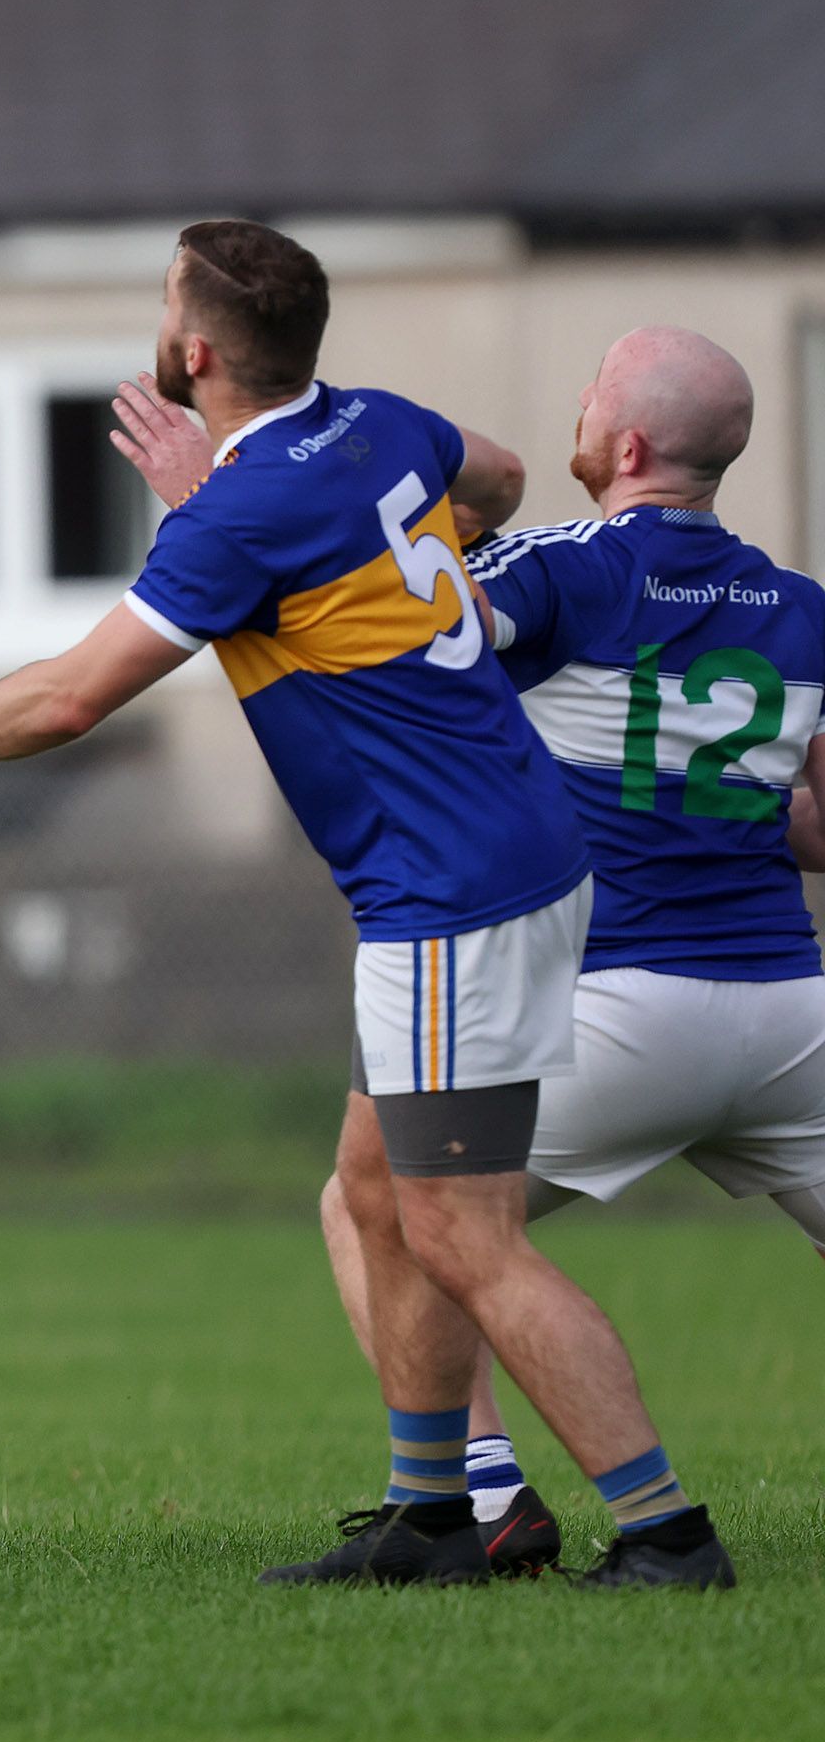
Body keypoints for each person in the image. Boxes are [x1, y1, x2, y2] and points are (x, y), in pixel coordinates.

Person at [0, 220, 731, 1591]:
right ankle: (437, 1513)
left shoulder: (241, 514)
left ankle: (664, 1531)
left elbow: (73, 696)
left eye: (168, 304)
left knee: (461, 1237)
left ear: (195, 351)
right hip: (516, 856)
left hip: (448, 900)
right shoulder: (374, 424)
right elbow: (497, 473)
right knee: (373, 1197)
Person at [283, 328, 817, 1580]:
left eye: (589, 396)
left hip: (614, 1005)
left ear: (623, 446)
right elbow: (818, 828)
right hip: (791, 1011)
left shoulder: (563, 569)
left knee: (395, 1217)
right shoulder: (802, 610)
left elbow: (405, 643)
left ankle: (495, 1501)